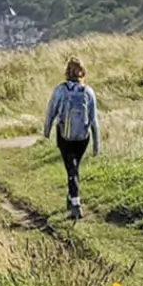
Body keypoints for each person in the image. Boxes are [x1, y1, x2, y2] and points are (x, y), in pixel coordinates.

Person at [43, 57, 100, 220]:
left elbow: (51, 111)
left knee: (71, 169)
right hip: (83, 137)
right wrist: (96, 144)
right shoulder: (88, 91)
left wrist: (46, 131)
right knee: (74, 168)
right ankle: (71, 197)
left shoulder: (60, 90)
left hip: (65, 135)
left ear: (67, 72)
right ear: (83, 72)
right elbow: (94, 119)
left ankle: (75, 204)